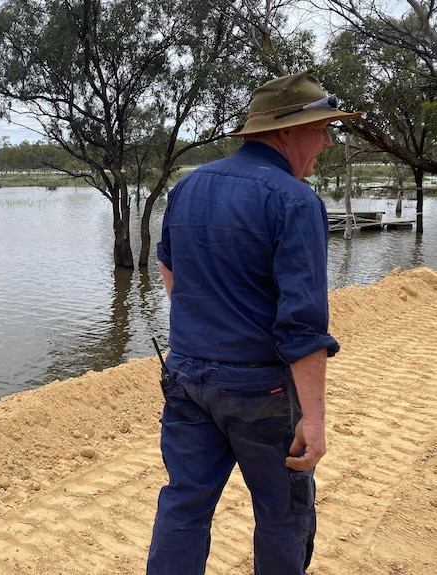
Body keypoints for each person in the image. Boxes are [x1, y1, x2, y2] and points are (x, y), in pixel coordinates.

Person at [146, 71, 361, 575]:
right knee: (282, 513)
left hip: (187, 378)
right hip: (260, 391)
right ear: (285, 131)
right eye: (320, 127)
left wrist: (201, 328)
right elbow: (303, 326)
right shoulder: (294, 200)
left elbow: (167, 265)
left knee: (184, 504)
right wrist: (314, 419)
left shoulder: (188, 186)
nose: (327, 138)